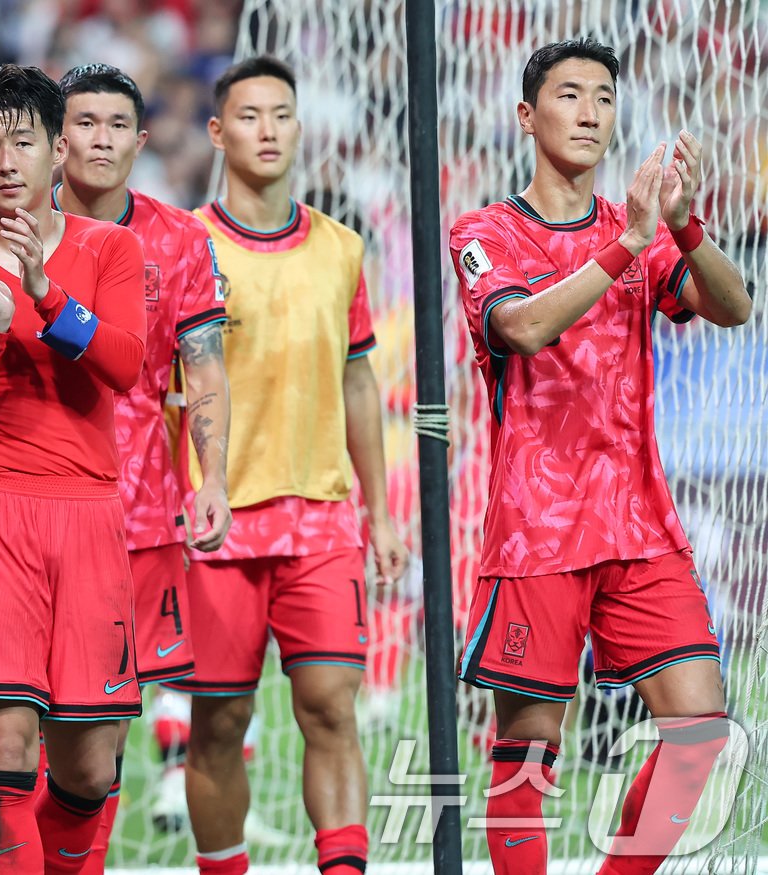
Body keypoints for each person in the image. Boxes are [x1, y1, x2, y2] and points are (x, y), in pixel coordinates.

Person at [448, 38, 751, 875]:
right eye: (570, 94)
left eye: (604, 98)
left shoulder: (643, 233)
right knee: (528, 753)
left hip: (640, 523)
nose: (589, 112)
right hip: (536, 532)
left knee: (700, 731)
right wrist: (628, 245)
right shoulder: (485, 231)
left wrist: (683, 230)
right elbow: (522, 326)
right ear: (525, 115)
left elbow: (734, 306)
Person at [168, 56, 409, 875]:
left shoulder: (341, 249)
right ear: (217, 131)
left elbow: (357, 378)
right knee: (221, 722)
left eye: (281, 115)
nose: (267, 130)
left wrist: (380, 511)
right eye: (249, 116)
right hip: (217, 522)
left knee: (331, 708)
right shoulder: (181, 246)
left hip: (321, 521)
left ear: (299, 127)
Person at [0, 63, 147, 875]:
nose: (6, 161)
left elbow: (124, 366)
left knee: (84, 766)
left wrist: (45, 296)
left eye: (24, 142)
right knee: (4, 744)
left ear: (55, 153)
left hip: (86, 512)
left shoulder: (111, 249)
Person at [52, 63, 233, 872]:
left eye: (114, 124)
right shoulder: (13, 231)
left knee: (101, 739)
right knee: (15, 731)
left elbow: (205, 371)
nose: (100, 139)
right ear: (59, 140)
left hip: (138, 520)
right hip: (30, 514)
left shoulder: (180, 239)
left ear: (140, 137)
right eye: (84, 123)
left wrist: (215, 479)